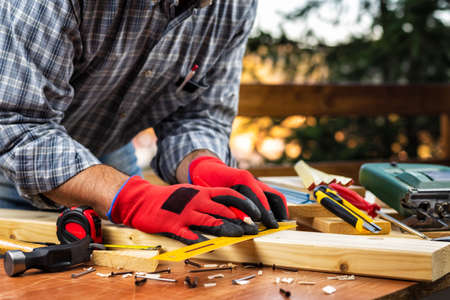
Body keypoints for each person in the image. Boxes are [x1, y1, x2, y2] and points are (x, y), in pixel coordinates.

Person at [0, 0, 288, 244]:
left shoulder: (233, 6)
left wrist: (203, 164)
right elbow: (17, 124)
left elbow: (197, 115)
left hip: (106, 147)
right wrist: (132, 199)